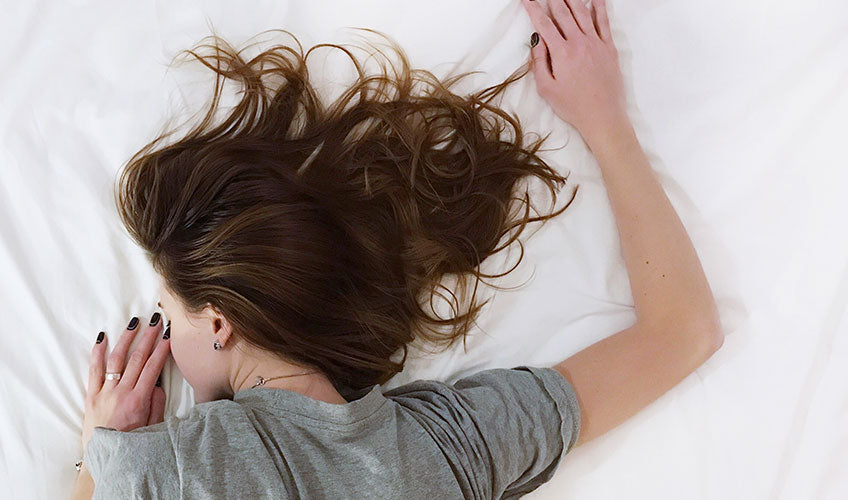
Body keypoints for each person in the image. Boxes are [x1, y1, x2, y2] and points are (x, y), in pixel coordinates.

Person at [70, 0, 723, 498]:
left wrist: (99, 456)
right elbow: (683, 332)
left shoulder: (162, 469)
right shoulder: (454, 444)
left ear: (219, 322)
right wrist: (605, 122)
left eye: (169, 314)